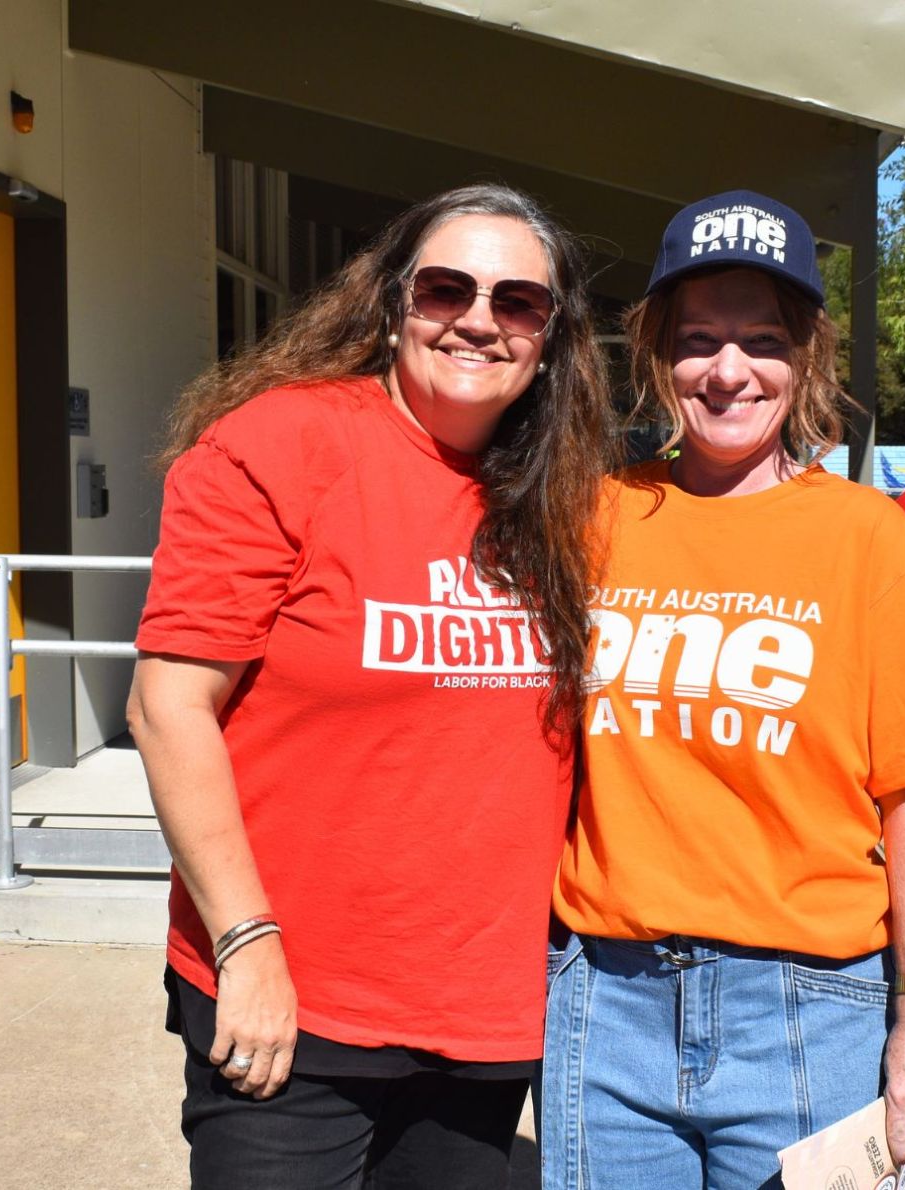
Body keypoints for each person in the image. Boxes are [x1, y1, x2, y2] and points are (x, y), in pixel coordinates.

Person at [127, 183, 614, 1189]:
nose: (479, 318)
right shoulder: (282, 446)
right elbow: (168, 704)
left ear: (552, 336)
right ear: (395, 300)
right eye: (449, 287)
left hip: (485, 1012)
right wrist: (246, 943)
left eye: (518, 302)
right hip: (292, 1000)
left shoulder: (569, 498)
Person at [540, 190, 905, 1188]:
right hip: (605, 1002)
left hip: (807, 1009)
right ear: (660, 352)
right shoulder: (594, 515)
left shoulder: (870, 539)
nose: (729, 370)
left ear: (803, 358)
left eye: (761, 338)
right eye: (699, 338)